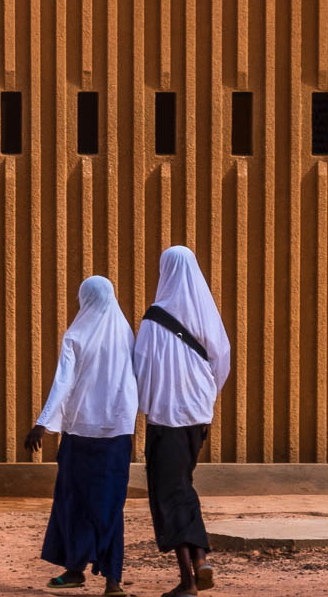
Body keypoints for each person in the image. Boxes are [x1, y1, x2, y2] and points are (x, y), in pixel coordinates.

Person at [25, 276, 138, 595]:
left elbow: (64, 381)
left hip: (79, 434)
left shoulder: (76, 334)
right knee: (111, 504)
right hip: (117, 434)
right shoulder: (125, 334)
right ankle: (112, 579)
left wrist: (42, 423)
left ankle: (75, 568)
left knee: (72, 500)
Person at [132, 247, 231, 597]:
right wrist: (205, 402)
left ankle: (188, 580)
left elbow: (140, 370)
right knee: (183, 486)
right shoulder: (206, 314)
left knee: (168, 495)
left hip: (165, 421)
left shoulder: (153, 320)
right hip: (197, 420)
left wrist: (146, 407)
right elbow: (222, 360)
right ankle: (201, 558)